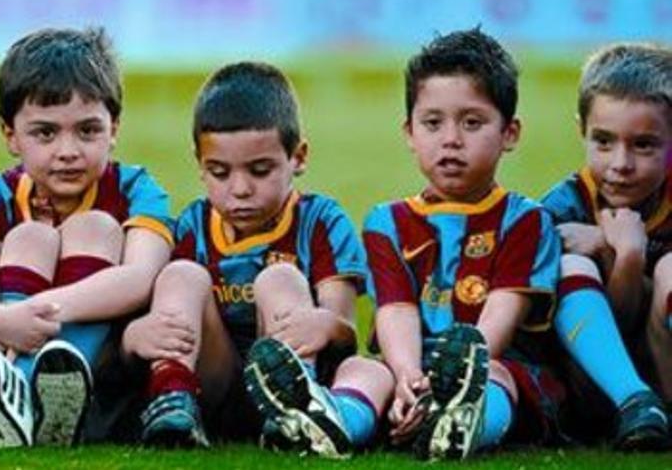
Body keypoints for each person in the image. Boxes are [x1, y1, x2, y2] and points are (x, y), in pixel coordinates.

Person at [122, 61, 380, 458]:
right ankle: (172, 397)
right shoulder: (194, 224)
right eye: (219, 173)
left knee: (281, 280)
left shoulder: (321, 221)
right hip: (215, 385)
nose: (239, 189)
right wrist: (133, 338)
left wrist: (324, 325)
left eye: (260, 171)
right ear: (199, 163)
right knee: (180, 273)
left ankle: (296, 408)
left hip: (299, 368)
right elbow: (164, 319)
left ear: (298, 156)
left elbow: (344, 332)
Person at [0, 27, 173, 447]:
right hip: (7, 337)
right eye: (45, 133)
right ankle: (15, 391)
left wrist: (32, 310)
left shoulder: (136, 188)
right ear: (10, 134)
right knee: (31, 236)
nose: (68, 151)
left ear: (114, 127)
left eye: (87, 131)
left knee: (96, 226)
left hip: (107, 379)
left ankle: (47, 391)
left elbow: (141, 276)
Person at [362, 28, 559, 459]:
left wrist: (457, 378)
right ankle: (337, 421)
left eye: (472, 123)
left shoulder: (524, 220)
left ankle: (462, 426)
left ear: (509, 133)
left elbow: (499, 322)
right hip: (414, 365)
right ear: (410, 132)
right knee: (360, 371)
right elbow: (395, 308)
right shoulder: (386, 223)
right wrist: (407, 375)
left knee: (499, 380)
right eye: (433, 123)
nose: (451, 139)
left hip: (489, 365)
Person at [541, 42, 671, 447]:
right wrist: (626, 257)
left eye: (644, 145)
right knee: (571, 269)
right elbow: (617, 318)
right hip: (589, 392)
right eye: (603, 141)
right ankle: (635, 404)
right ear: (581, 129)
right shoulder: (560, 208)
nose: (621, 164)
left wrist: (625, 247)